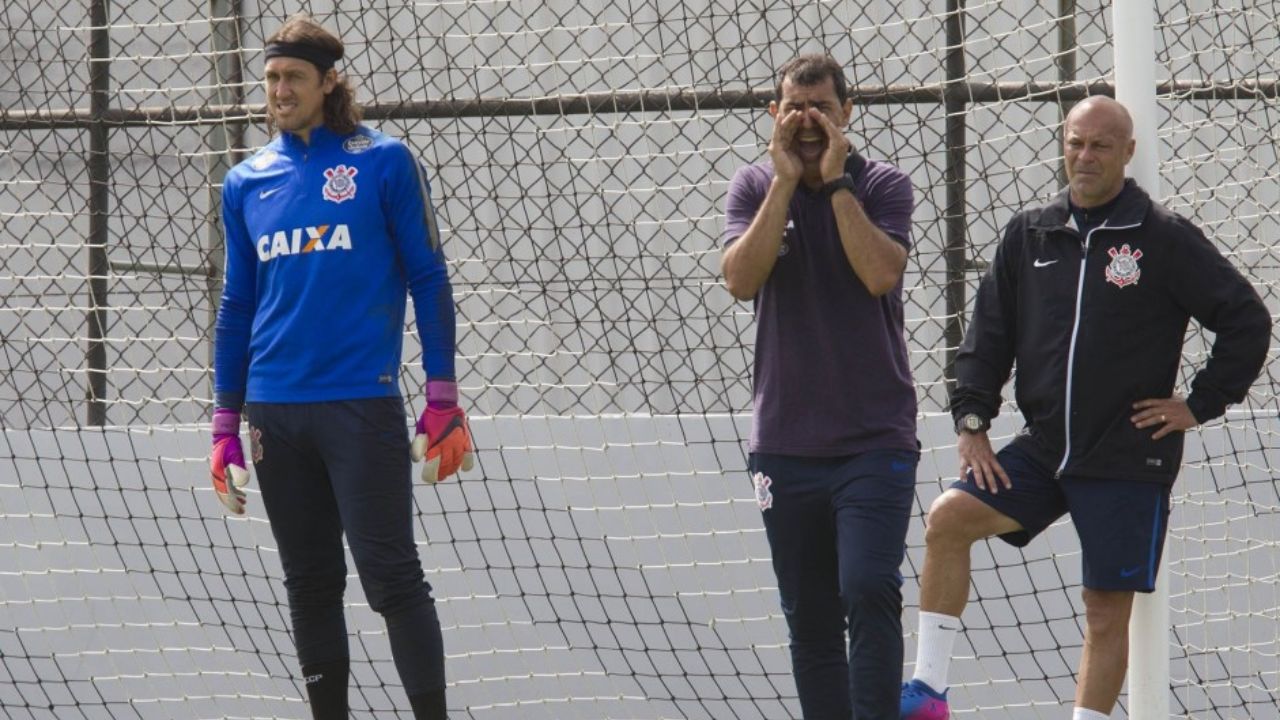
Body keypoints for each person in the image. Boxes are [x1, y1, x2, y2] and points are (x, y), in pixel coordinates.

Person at [899, 96, 1270, 720]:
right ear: (1062, 144)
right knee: (947, 519)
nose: (1085, 155)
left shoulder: (1162, 238)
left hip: (1126, 456)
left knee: (1103, 611)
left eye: (1101, 144)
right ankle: (927, 691)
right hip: (1044, 449)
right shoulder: (1031, 233)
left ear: (1128, 152)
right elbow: (987, 336)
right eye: (1076, 142)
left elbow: (1247, 321)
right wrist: (972, 422)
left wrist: (1198, 405)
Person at [208, 15, 474, 720]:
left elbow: (429, 277)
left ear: (328, 82)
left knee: (390, 578)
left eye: (294, 77)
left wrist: (442, 396)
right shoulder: (245, 181)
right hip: (273, 412)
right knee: (310, 583)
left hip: (360, 405)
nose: (280, 89)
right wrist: (223, 423)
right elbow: (236, 307)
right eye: (271, 78)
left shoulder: (382, 161)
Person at [721, 54, 918, 719]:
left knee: (866, 586)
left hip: (873, 440)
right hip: (784, 445)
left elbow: (880, 274)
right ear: (774, 116)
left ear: (847, 115)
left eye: (822, 110)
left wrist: (834, 186)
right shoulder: (752, 187)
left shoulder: (883, 184)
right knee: (809, 617)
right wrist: (784, 186)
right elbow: (740, 280)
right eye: (794, 109)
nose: (808, 123)